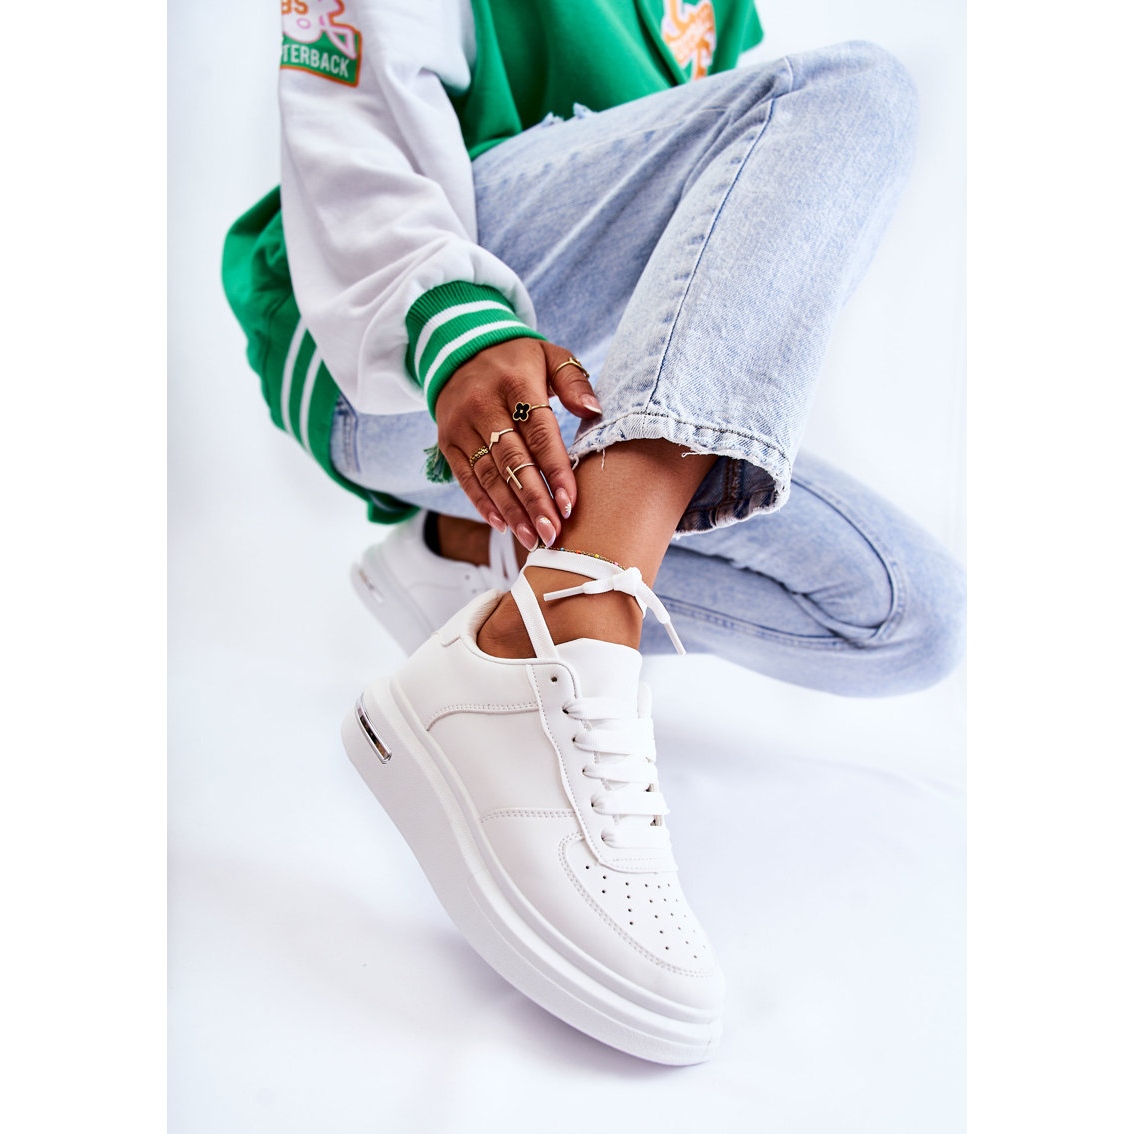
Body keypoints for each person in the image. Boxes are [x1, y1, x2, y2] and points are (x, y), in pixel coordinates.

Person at [223, 0, 965, 1065]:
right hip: (390, 343)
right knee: (849, 94)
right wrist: (452, 319)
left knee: (911, 615)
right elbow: (351, 104)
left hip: (574, 398)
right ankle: (563, 640)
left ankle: (481, 575)